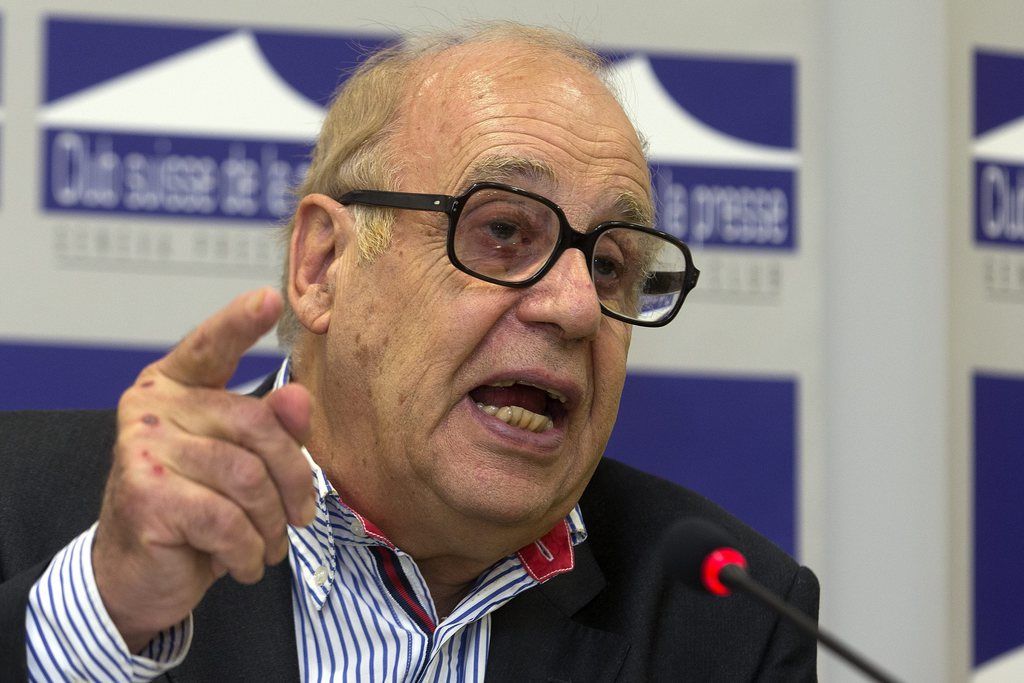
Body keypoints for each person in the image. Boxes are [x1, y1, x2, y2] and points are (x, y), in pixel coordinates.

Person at [0, 23, 818, 681]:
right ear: (322, 265)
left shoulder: (726, 615)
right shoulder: (25, 504)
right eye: (503, 231)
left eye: (610, 264)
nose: (574, 305)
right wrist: (105, 618)